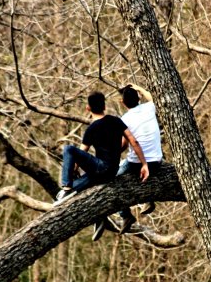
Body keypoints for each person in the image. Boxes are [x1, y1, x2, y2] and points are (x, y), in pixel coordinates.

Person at [55, 91, 150, 241]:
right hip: (111, 171)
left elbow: (80, 153)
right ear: (104, 105)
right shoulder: (116, 121)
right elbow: (133, 141)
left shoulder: (92, 129)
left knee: (68, 149)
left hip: (101, 168)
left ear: (88, 108)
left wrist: (73, 170)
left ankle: (66, 187)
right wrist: (144, 164)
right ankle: (101, 218)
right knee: (63, 196)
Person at [116, 85, 163, 234]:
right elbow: (152, 97)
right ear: (139, 98)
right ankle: (147, 198)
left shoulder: (124, 119)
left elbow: (123, 145)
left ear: (123, 103)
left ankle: (126, 215)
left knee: (112, 180)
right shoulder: (149, 107)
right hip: (157, 160)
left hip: (138, 163)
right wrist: (138, 87)